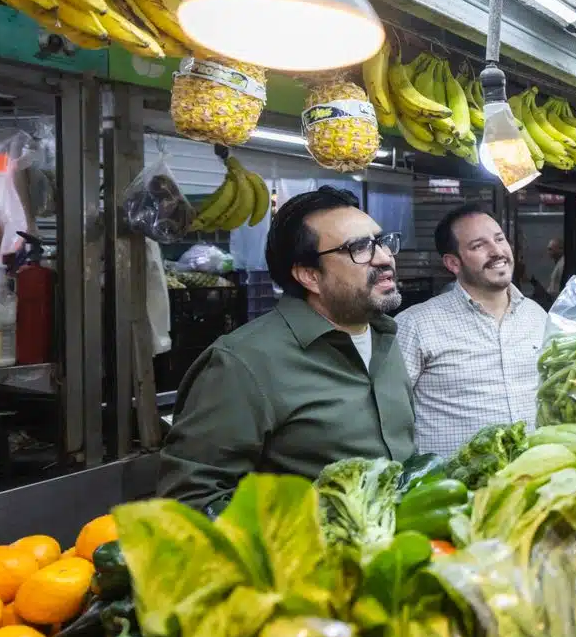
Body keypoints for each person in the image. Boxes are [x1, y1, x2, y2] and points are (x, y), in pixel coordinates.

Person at [159, 188, 415, 511]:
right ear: (309, 276)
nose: (384, 257)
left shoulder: (386, 338)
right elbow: (191, 499)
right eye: (359, 248)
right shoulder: (242, 364)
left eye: (380, 241)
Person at [396, 204, 547, 455]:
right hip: (451, 487)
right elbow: (390, 414)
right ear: (453, 263)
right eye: (479, 246)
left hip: (530, 481)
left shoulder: (536, 315)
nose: (497, 251)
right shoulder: (416, 325)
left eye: (499, 239)